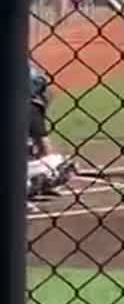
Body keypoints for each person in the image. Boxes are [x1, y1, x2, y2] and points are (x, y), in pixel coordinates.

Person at [26, 59, 72, 199]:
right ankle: (44, 178)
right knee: (54, 161)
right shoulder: (33, 108)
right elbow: (44, 143)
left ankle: (44, 179)